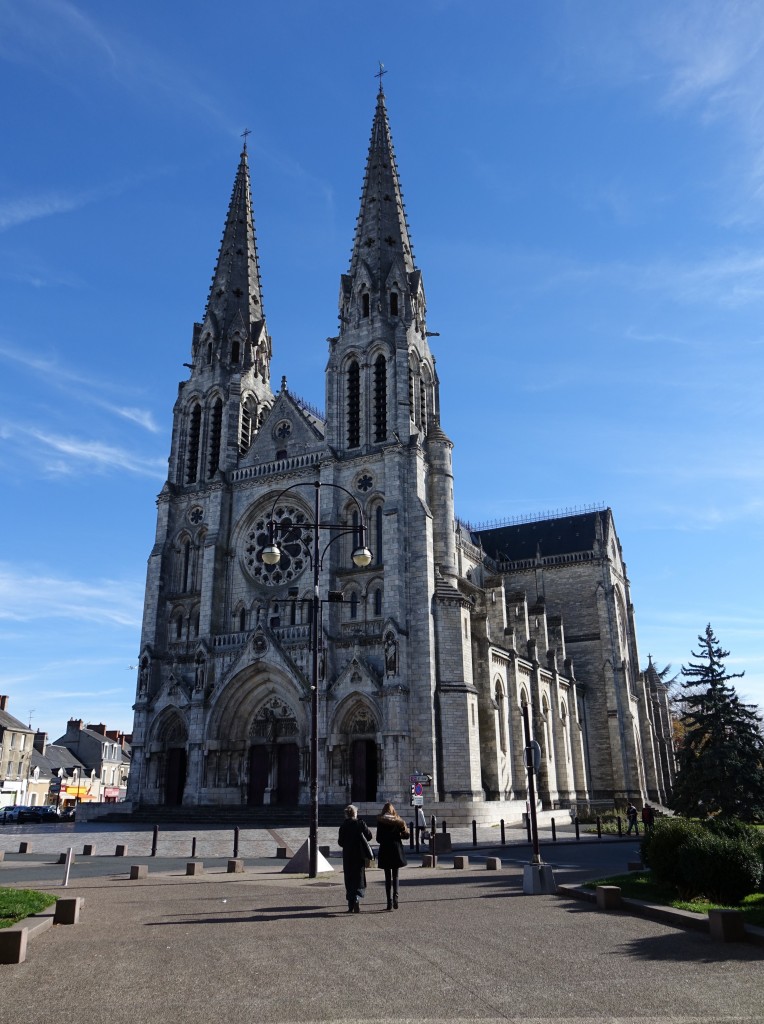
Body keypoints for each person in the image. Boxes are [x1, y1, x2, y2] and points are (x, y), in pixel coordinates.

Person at [337, 804, 372, 913]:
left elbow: (340, 842)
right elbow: (369, 836)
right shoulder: (360, 823)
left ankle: (350, 904)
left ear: (346, 814)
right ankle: (357, 897)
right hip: (359, 854)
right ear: (355, 813)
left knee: (349, 877)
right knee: (359, 877)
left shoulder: (343, 825)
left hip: (348, 855)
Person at [376, 801, 409, 910]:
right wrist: (399, 834)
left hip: (385, 850)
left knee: (387, 877)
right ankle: (396, 898)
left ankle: (389, 902)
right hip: (396, 850)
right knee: (395, 876)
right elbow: (406, 836)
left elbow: (378, 839)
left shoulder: (381, 821)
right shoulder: (398, 821)